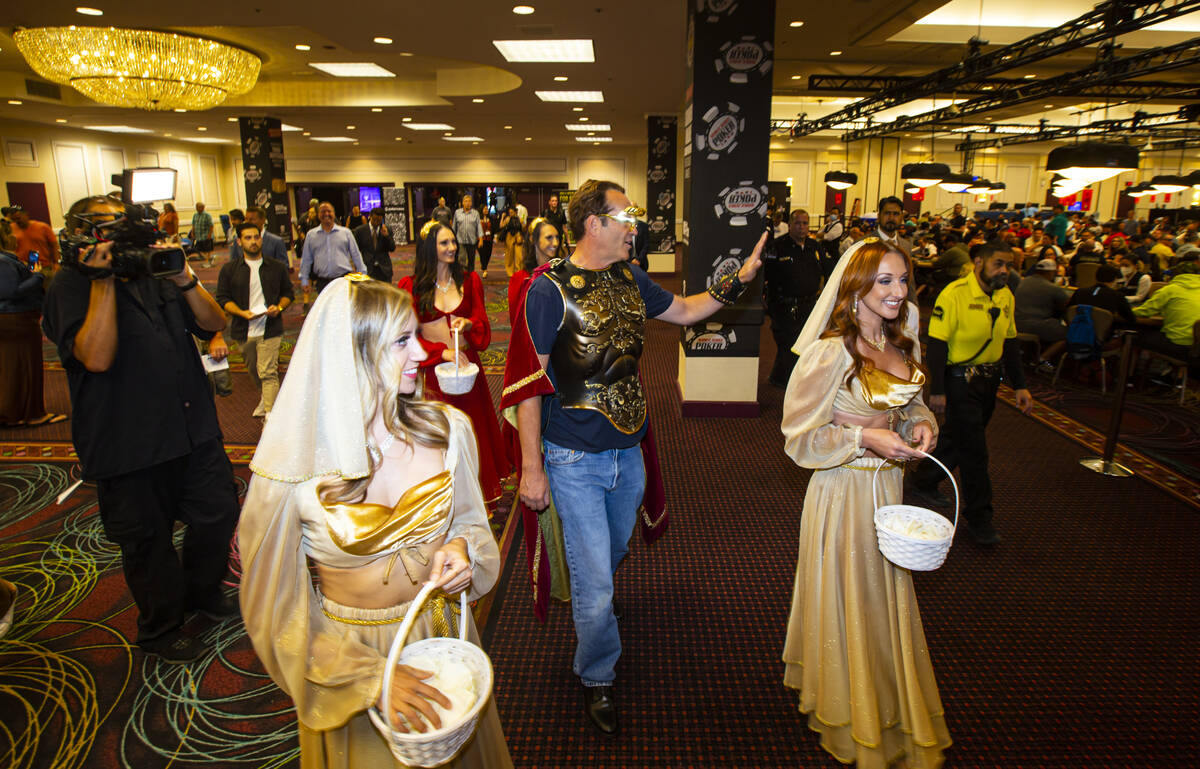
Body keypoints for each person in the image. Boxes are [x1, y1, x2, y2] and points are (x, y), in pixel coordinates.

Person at [502, 179, 764, 735]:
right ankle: (597, 673)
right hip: (572, 458)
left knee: (615, 549)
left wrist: (734, 280)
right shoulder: (547, 290)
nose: (635, 226)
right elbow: (527, 383)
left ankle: (596, 611)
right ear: (594, 223)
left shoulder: (629, 276)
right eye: (627, 216)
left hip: (629, 450)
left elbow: (689, 311)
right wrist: (531, 468)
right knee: (596, 584)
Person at [237, 275, 512, 769]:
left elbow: (472, 525)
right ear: (350, 355)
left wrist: (461, 550)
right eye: (402, 341)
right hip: (346, 656)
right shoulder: (290, 473)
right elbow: (272, 609)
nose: (423, 354)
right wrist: (368, 679)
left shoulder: (448, 431)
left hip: (442, 636)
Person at [42, 195, 240, 662]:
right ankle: (161, 626)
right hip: (128, 443)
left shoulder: (158, 271)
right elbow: (96, 355)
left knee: (218, 513)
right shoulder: (68, 286)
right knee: (147, 543)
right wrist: (103, 281)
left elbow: (215, 321)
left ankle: (200, 590)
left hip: (191, 430)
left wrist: (184, 277)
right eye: (109, 235)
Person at [780, 238, 948, 769]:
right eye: (885, 282)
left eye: (903, 280)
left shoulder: (904, 339)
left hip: (890, 488)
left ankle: (880, 686)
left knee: (883, 593)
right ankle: (846, 700)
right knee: (851, 589)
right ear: (858, 286)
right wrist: (863, 439)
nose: (898, 292)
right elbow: (798, 437)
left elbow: (910, 398)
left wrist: (920, 422)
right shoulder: (831, 352)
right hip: (842, 490)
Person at [908, 241, 1034, 545]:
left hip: (989, 382)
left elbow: (1011, 342)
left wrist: (1020, 384)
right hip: (958, 381)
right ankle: (980, 518)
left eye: (1009, 265)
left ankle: (923, 478)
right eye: (998, 264)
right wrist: (936, 389)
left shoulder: (1005, 296)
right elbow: (936, 345)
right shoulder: (954, 294)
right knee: (975, 452)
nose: (1004, 271)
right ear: (979, 262)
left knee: (958, 439)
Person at [398, 223, 511, 505]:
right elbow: (404, 338)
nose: (452, 248)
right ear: (429, 249)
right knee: (438, 436)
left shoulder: (469, 280)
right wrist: (441, 352)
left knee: (472, 432)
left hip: (468, 373)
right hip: (434, 376)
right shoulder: (411, 287)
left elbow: (483, 330)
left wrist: (470, 323)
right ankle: (441, 499)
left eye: (453, 242)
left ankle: (472, 499)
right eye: (444, 243)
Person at [216, 222, 294, 419]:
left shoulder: (276, 267)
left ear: (261, 239)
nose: (253, 242)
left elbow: (288, 294)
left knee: (268, 372)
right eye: (248, 238)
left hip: (271, 328)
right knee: (255, 371)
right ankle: (267, 399)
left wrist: (280, 308)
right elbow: (223, 299)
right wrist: (242, 313)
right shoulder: (229, 270)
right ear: (239, 242)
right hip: (243, 330)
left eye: (256, 237)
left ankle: (271, 416)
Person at [0, 219, 64, 427]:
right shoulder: (3, 260)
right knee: (25, 367)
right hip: (15, 319)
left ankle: (14, 412)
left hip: (12, 319)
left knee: (13, 367)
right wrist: (36, 277)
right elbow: (10, 293)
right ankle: (28, 414)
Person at [763, 209, 823, 388]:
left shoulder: (814, 247)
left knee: (807, 344)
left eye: (805, 223)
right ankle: (784, 383)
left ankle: (785, 379)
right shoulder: (777, 247)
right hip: (783, 306)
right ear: (789, 225)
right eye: (798, 223)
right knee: (788, 345)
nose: (802, 227)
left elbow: (828, 270)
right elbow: (767, 275)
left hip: (809, 305)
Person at [1133, 261, 1200, 363]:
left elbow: (1145, 311)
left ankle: (1130, 373)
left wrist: (1126, 309)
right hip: (1197, 347)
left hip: (1180, 343)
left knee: (1136, 336)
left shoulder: (1170, 290)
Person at [1015, 258, 1070, 371]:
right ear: (1050, 273)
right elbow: (1067, 304)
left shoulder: (1022, 281)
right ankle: (1041, 360)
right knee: (1069, 334)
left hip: (1015, 322)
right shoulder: (1052, 287)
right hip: (1034, 325)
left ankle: (1029, 355)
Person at [300, 201, 365, 295]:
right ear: (318, 215)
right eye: (323, 212)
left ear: (334, 214)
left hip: (343, 280)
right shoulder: (311, 235)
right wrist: (304, 279)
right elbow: (306, 259)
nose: (326, 214)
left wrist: (362, 274)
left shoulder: (346, 233)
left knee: (344, 308)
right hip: (322, 282)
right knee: (325, 309)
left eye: (329, 211)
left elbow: (356, 255)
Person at [507, 218, 563, 324]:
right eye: (549, 238)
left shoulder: (562, 274)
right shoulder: (520, 279)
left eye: (557, 237)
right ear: (533, 239)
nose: (555, 243)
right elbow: (517, 322)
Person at [1068, 264, 1135, 326]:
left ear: (1096, 276)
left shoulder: (1079, 292)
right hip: (1103, 334)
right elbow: (1131, 318)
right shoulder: (1117, 296)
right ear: (1114, 279)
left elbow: (1068, 312)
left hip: (1075, 330)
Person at [6, 204, 61, 274]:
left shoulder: (42, 227)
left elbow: (54, 246)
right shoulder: (11, 229)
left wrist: (56, 263)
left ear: (26, 215)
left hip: (44, 267)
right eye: (14, 220)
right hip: (22, 268)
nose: (17, 221)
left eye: (18, 218)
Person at [354, 207, 396, 283]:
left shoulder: (387, 229)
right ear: (370, 217)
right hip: (368, 269)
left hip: (384, 270)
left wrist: (386, 236)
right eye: (374, 220)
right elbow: (355, 251)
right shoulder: (360, 231)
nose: (376, 222)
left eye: (379, 220)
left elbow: (392, 248)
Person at [453, 194, 484, 274]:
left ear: (471, 203)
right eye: (466, 201)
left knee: (471, 260)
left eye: (469, 201)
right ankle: (462, 276)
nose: (467, 203)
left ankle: (470, 276)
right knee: (461, 259)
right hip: (460, 241)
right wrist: (452, 240)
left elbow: (479, 227)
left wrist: (481, 239)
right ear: (462, 203)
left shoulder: (475, 213)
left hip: (472, 241)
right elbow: (454, 228)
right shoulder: (457, 213)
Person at [499, 205, 524, 277]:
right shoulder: (507, 219)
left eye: (512, 212)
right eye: (509, 212)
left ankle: (519, 270)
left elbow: (523, 227)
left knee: (519, 256)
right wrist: (502, 217)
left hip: (518, 237)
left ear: (515, 212)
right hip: (509, 237)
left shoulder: (519, 219)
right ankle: (510, 272)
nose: (510, 213)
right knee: (509, 255)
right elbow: (501, 226)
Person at [190, 201, 215, 267]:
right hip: (198, 236)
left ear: (203, 207)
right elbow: (193, 225)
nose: (197, 208)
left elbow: (211, 225)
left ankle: (208, 261)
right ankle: (209, 259)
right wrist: (193, 232)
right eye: (197, 207)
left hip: (206, 235)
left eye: (199, 207)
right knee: (199, 249)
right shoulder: (195, 215)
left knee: (207, 250)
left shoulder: (207, 215)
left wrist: (209, 234)